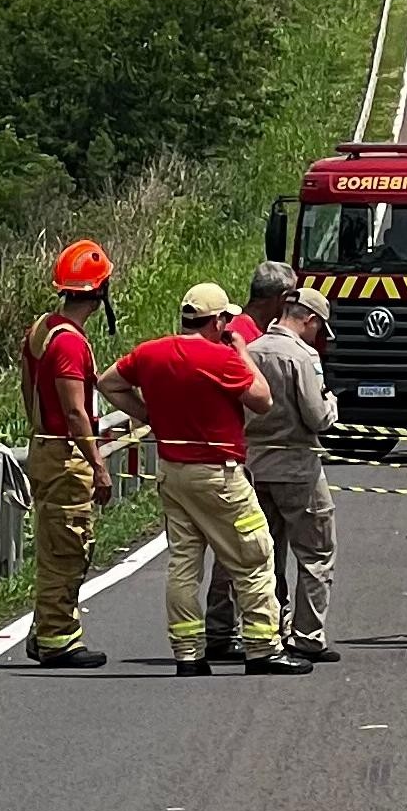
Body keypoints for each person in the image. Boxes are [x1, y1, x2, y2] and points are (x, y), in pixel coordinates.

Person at [104, 284, 291, 678]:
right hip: (219, 475)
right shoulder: (221, 358)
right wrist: (241, 351)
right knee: (254, 556)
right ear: (219, 321)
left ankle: (187, 652)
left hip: (173, 472)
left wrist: (149, 415)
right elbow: (263, 399)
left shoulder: (150, 353)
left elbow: (108, 383)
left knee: (184, 564)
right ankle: (263, 649)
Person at [19, 238, 117, 671]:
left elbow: (28, 389)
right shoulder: (70, 344)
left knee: (54, 544)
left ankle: (46, 630)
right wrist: (98, 465)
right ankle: (58, 640)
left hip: (44, 447)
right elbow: (77, 411)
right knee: (68, 547)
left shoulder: (42, 330)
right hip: (65, 457)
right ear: (99, 292)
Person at [245, 284, 342, 664]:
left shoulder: (250, 351)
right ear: (310, 319)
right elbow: (316, 416)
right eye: (319, 328)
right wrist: (332, 404)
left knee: (264, 554)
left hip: (254, 463)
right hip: (298, 466)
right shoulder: (302, 357)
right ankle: (307, 634)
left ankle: (266, 630)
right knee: (316, 552)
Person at [207, 263, 295, 659]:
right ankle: (223, 628)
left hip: (251, 451)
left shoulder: (252, 332)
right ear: (277, 298)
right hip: (242, 453)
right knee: (239, 545)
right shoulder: (240, 336)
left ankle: (235, 626)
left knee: (252, 544)